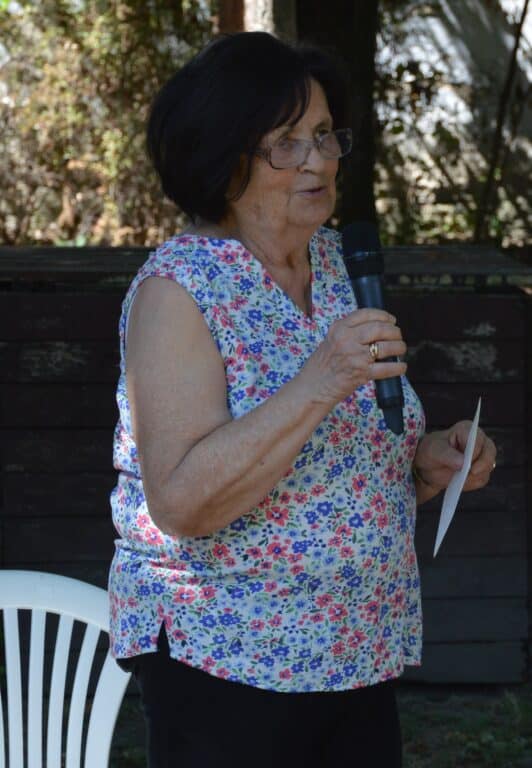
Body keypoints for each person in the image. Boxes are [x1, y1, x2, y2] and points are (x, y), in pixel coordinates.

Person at [108, 31, 497, 768]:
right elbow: (182, 502)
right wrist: (318, 381)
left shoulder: (335, 260)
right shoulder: (180, 290)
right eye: (286, 143)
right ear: (225, 158)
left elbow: (334, 465)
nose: (318, 160)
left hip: (355, 649)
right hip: (230, 659)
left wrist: (426, 462)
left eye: (323, 135)